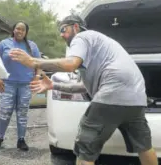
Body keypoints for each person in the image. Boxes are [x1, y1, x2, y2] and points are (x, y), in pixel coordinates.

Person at [9, 15, 159, 165]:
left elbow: (70, 64)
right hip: (136, 99)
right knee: (144, 146)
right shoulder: (98, 49)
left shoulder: (81, 37)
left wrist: (33, 61)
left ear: (76, 27)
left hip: (111, 94)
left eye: (64, 29)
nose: (61, 34)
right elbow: (83, 87)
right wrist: (53, 86)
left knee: (84, 150)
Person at [0, 21, 41, 151]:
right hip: (7, 84)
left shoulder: (32, 46)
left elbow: (39, 64)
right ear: (14, 29)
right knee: (5, 112)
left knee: (22, 113)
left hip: (25, 85)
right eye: (17, 28)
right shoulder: (4, 44)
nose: (19, 31)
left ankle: (21, 140)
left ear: (26, 32)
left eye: (22, 29)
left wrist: (36, 77)